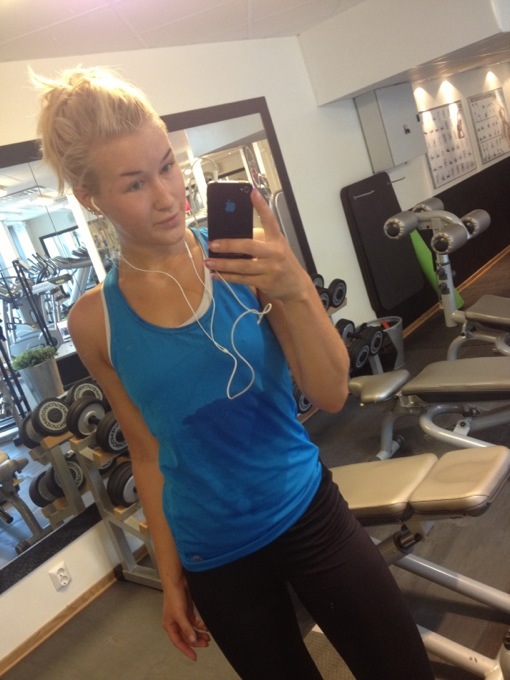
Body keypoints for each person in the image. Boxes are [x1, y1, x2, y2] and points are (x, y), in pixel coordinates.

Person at [32, 66, 434, 680]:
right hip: (213, 557)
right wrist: (171, 578)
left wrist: (294, 285)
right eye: (135, 183)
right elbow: (145, 451)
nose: (167, 196)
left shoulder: (242, 259)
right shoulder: (93, 321)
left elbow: (330, 394)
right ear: (91, 199)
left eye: (167, 166)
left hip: (307, 511)